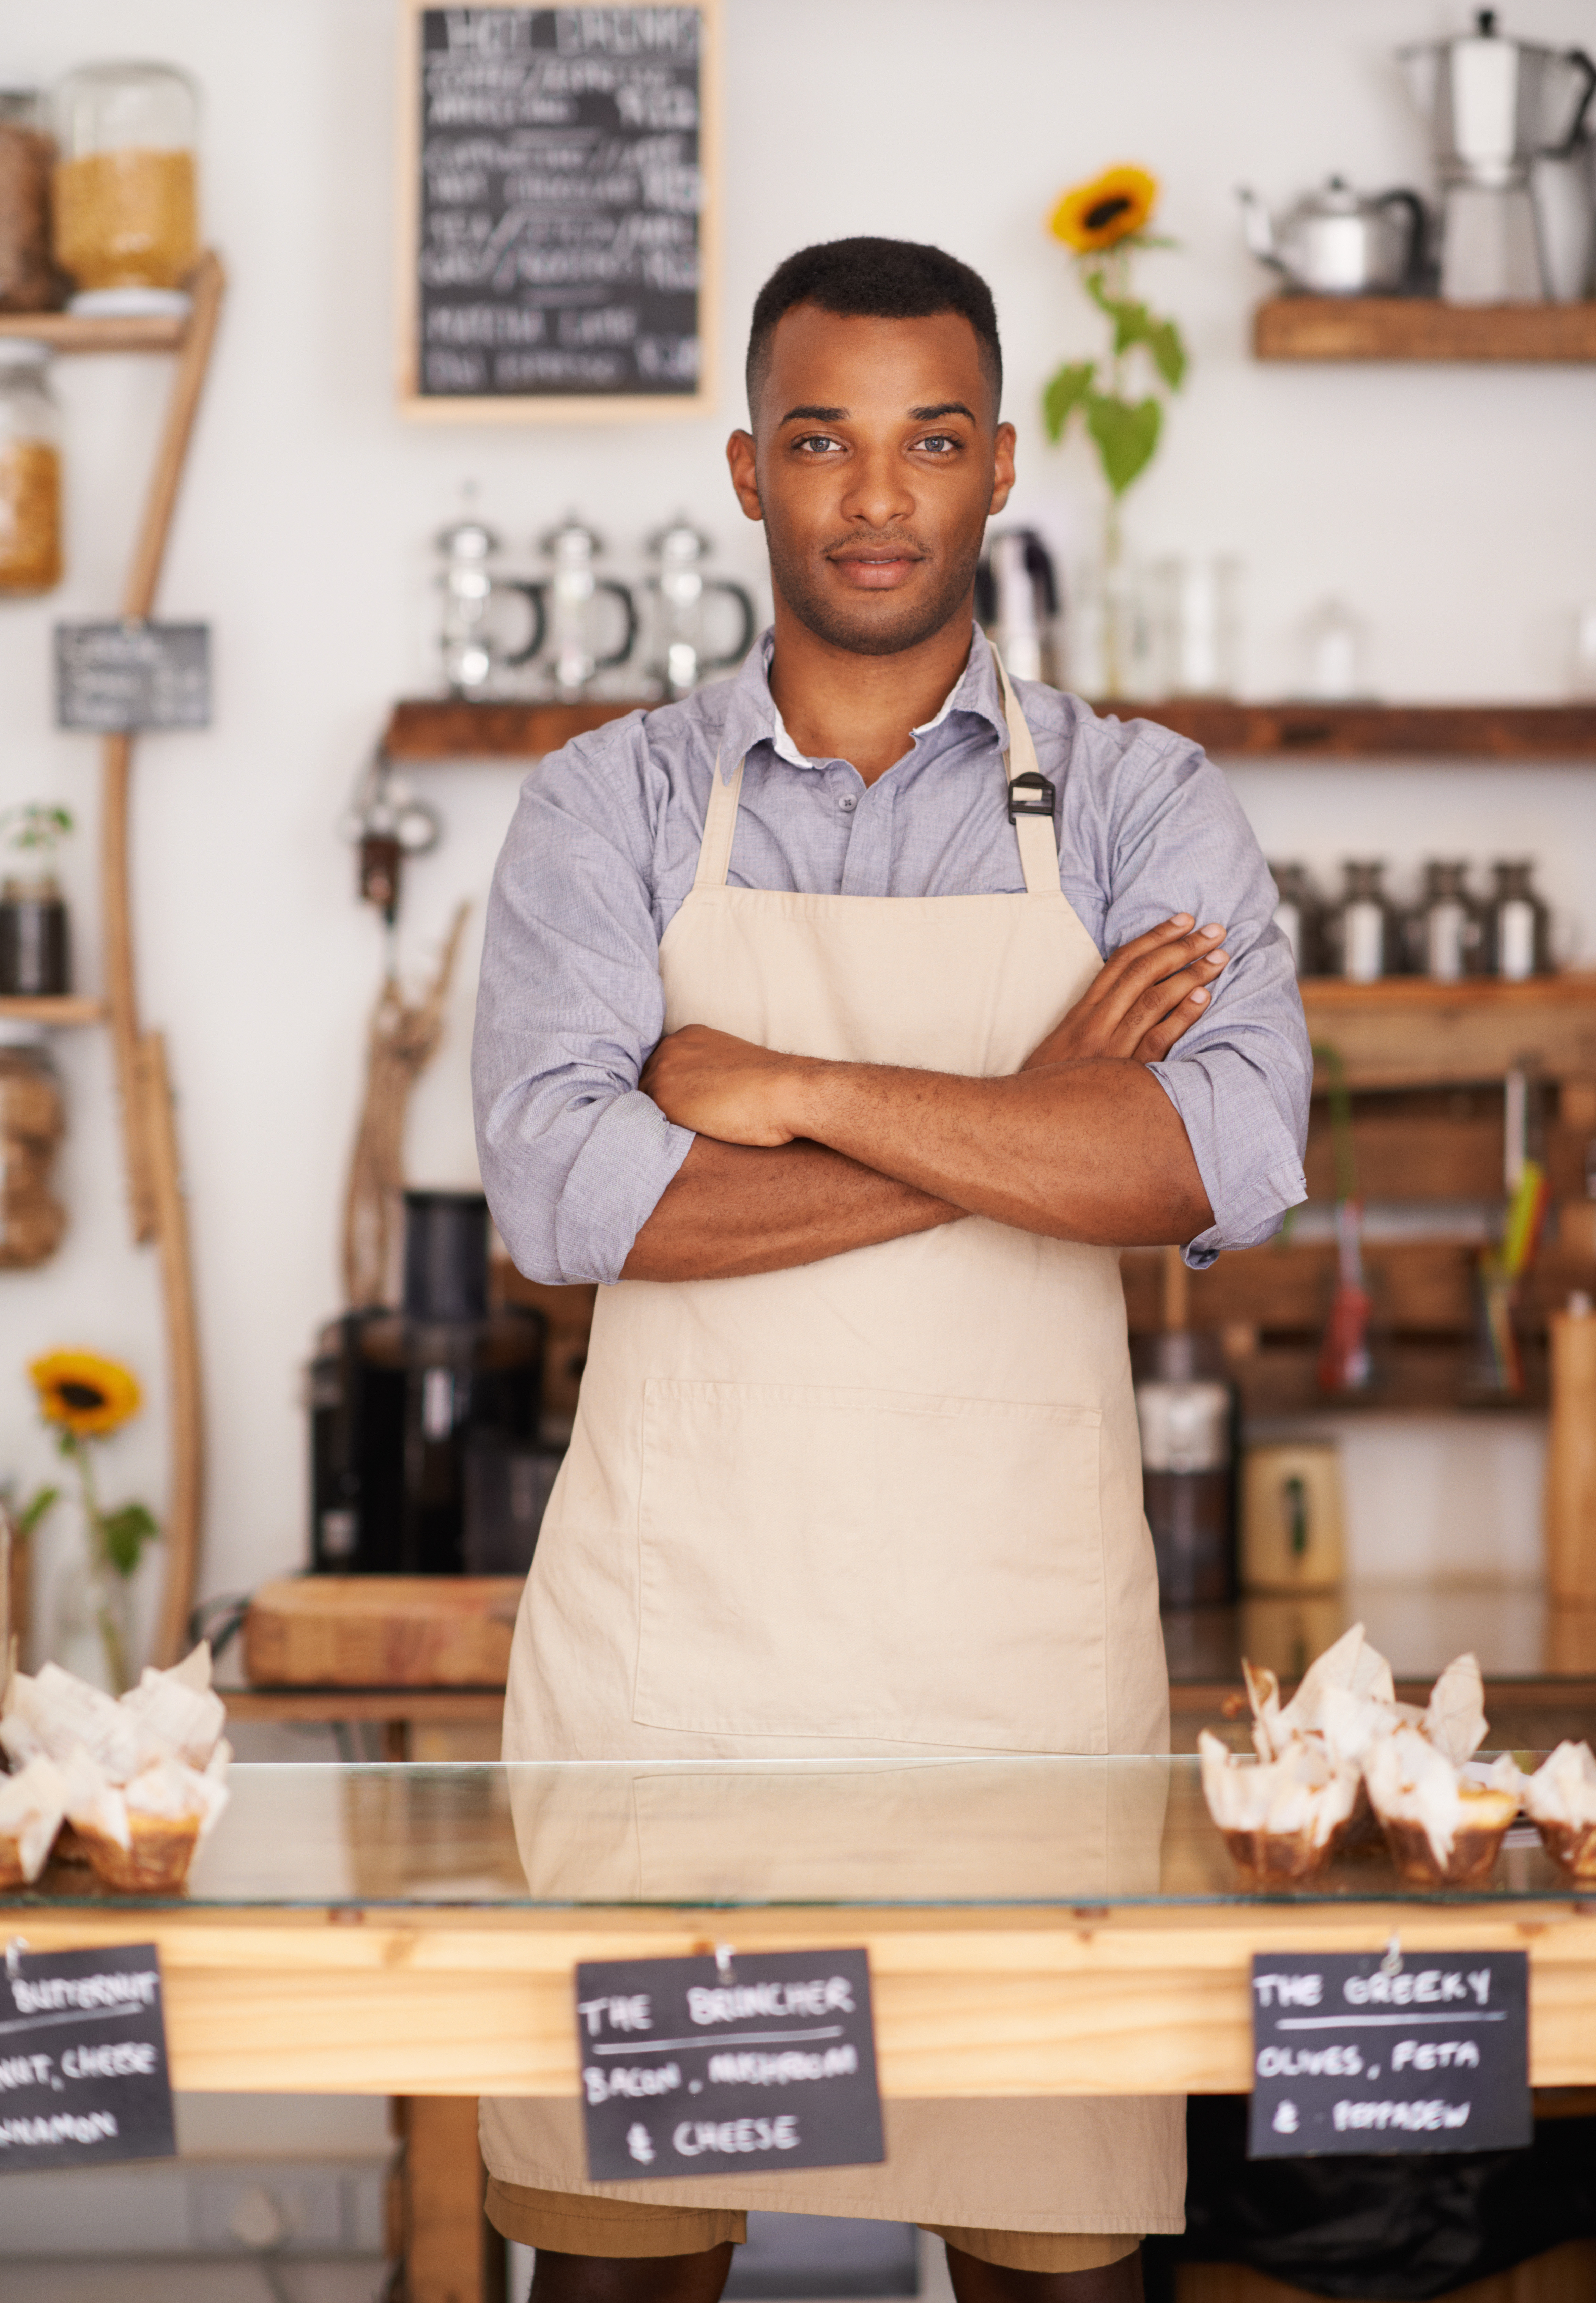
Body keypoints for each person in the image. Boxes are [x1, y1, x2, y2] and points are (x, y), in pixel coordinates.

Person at [472, 237, 1311, 2302]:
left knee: (1063, 2271)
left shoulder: (1140, 803)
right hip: (676, 1696)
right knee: (623, 2271)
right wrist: (1026, 1113)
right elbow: (574, 1200)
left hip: (1019, 1696)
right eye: (824, 441)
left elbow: (1228, 1146)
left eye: (928, 440)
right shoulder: (610, 804)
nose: (875, 496)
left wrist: (784, 1089)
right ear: (748, 471)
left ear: (1000, 465)